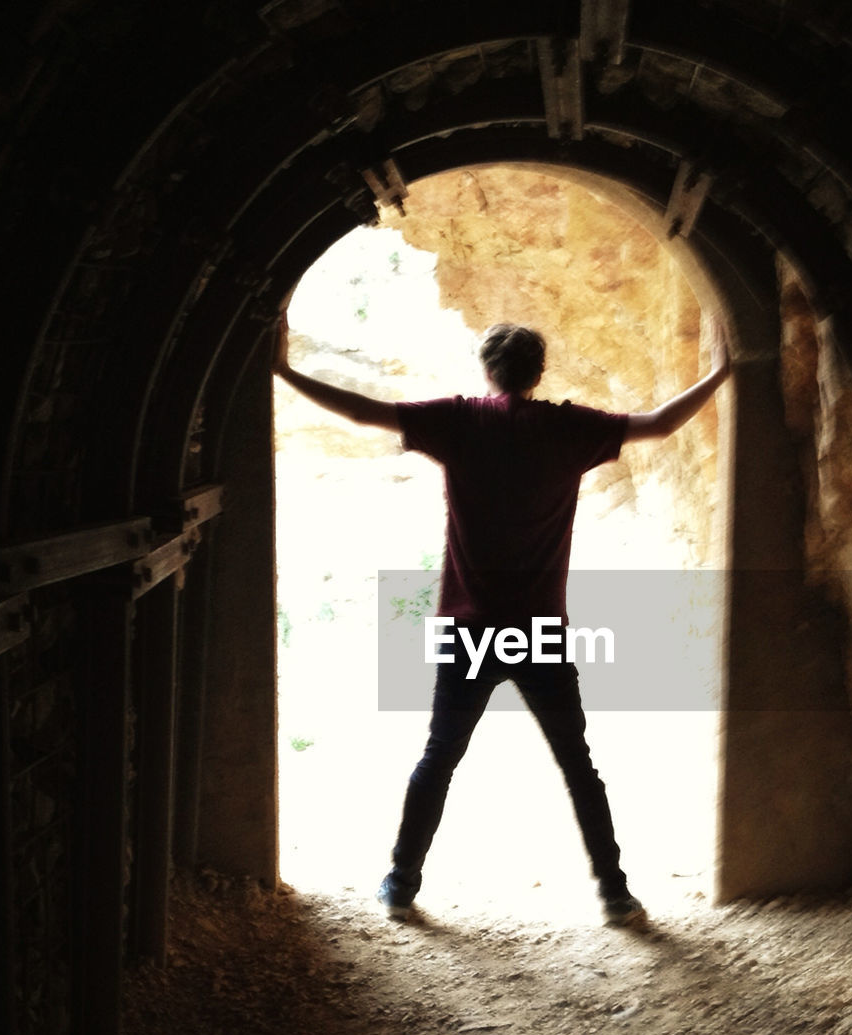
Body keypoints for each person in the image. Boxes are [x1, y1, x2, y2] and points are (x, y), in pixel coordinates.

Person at [273, 313, 732, 923]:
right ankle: (615, 892)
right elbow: (661, 423)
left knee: (439, 756)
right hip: (539, 627)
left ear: (487, 370)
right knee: (578, 764)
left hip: (467, 627)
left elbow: (362, 411)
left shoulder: (458, 422)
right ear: (539, 372)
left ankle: (400, 883)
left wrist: (282, 368)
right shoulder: (570, 429)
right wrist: (721, 371)